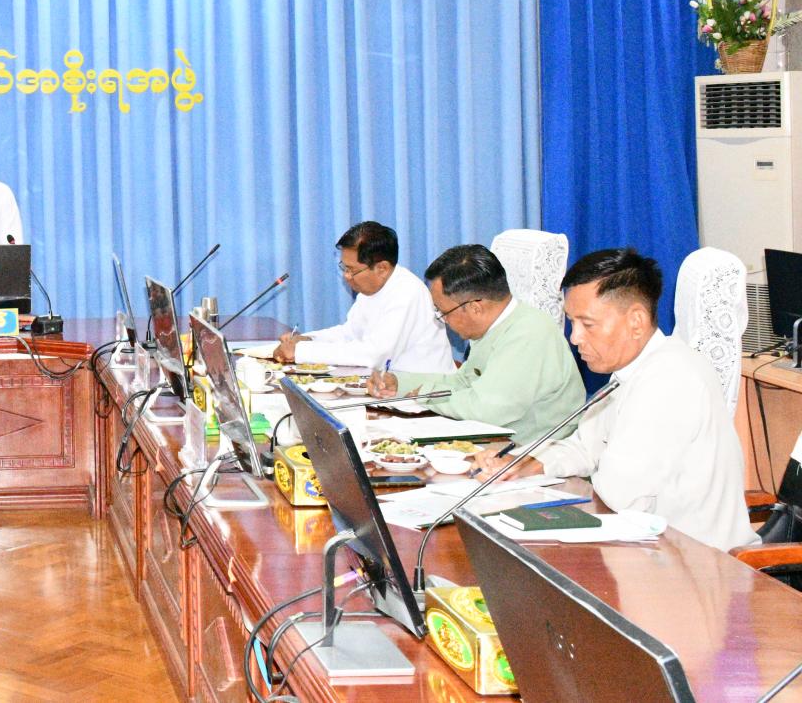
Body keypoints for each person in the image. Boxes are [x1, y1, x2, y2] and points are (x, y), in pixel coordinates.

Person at [469, 248, 756, 551]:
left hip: (696, 562)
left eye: (587, 324)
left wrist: (584, 466)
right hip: (650, 550)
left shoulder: (670, 377)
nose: (574, 337)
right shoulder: (633, 368)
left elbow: (620, 494)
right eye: (572, 322)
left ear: (636, 321)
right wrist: (525, 463)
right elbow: (585, 446)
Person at [367, 244, 585, 445]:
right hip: (498, 443)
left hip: (532, 454)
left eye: (443, 312)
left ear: (475, 308)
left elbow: (487, 408)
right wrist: (400, 383)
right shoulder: (496, 326)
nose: (442, 320)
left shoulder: (529, 332)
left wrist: (424, 394)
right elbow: (464, 382)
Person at [275, 221, 453, 373]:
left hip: (426, 394)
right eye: (344, 268)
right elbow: (350, 334)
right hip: (389, 387)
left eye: (352, 270)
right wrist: (308, 339)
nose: (346, 276)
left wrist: (301, 352)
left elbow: (374, 355)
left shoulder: (407, 292)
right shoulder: (371, 289)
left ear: (382, 268)